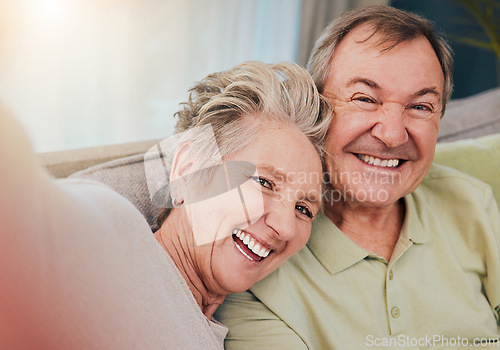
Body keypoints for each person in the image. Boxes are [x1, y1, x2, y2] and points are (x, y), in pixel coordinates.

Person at [215, 6, 500, 349]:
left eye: (421, 107)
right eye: (365, 98)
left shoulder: (471, 200)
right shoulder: (260, 251)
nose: (393, 135)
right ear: (315, 106)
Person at [0, 61, 331, 349]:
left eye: (304, 209)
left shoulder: (213, 334)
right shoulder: (112, 230)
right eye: (264, 182)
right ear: (188, 169)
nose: (286, 227)